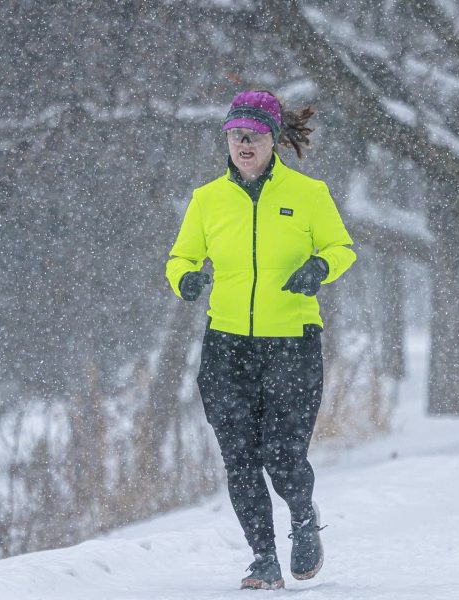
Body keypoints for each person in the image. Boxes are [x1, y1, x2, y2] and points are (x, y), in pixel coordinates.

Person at [165, 90, 356, 590]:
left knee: (283, 454)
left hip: (291, 341)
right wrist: (184, 279)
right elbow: (180, 257)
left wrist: (320, 267)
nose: (244, 143)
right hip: (227, 345)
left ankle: (302, 518)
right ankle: (263, 559)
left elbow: (342, 248)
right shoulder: (208, 199)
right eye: (235, 135)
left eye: (253, 135)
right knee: (240, 456)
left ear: (273, 139)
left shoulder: (308, 194)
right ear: (226, 140)